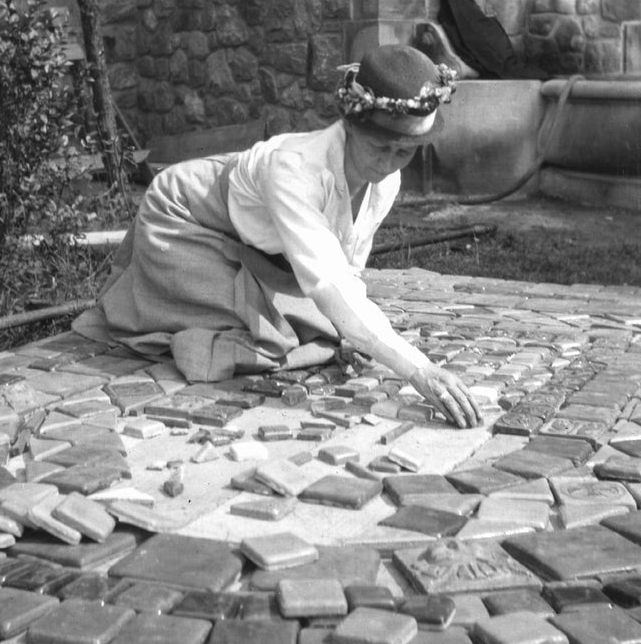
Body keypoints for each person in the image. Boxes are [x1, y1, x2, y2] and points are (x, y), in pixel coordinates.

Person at [73, 44, 481, 429]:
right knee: (273, 336)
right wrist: (417, 369)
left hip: (249, 237)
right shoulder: (297, 170)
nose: (388, 163)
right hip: (182, 217)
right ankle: (161, 297)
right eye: (380, 146)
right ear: (351, 126)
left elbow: (348, 266)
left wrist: (355, 333)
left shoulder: (385, 181)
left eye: (404, 152)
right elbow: (326, 280)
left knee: (328, 324)